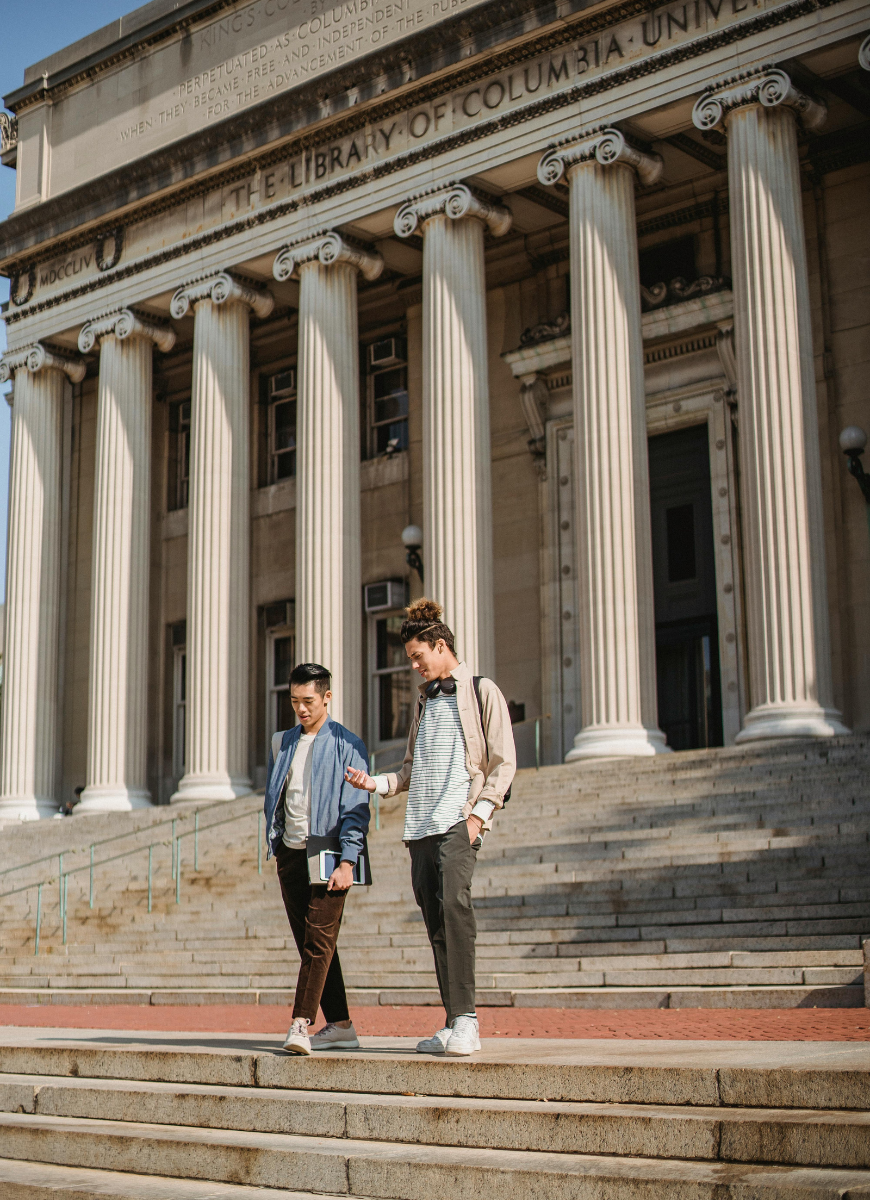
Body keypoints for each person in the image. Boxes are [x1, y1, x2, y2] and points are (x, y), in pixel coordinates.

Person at [346, 599, 515, 1057]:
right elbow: (409, 771)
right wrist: (373, 782)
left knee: (456, 910)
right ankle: (453, 1018)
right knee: (436, 922)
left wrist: (478, 817)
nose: (415, 666)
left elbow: (503, 763)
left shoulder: (481, 691)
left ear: (441, 646)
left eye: (419, 656)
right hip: (419, 826)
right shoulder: (423, 703)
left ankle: (469, 1022)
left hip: (457, 821)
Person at [264, 662, 371, 1055]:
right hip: (290, 854)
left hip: (330, 851)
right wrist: (276, 845)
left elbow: (357, 809)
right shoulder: (283, 741)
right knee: (313, 942)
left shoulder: (350, 745)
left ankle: (300, 1023)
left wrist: (349, 861)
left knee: (318, 941)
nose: (301, 709)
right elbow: (278, 795)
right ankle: (341, 1024)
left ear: (327, 697)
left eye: (308, 701)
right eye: (294, 701)